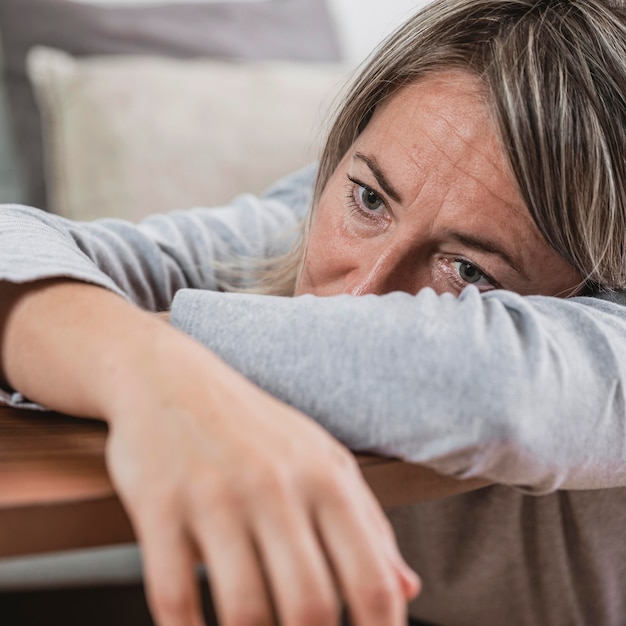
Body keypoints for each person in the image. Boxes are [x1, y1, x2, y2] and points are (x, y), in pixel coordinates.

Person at [2, 0, 626, 624]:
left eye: (468, 270)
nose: (359, 295)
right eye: (369, 200)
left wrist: (128, 345)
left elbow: (492, 385)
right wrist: (154, 377)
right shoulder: (308, 215)